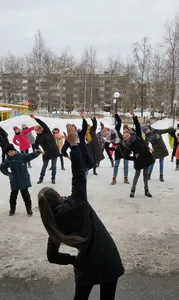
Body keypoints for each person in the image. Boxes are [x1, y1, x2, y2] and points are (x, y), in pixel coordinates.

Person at [38, 124, 124, 300]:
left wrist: (72, 260)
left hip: (84, 262)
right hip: (107, 253)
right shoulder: (77, 201)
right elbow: (78, 174)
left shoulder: (53, 225)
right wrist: (74, 145)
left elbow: (52, 256)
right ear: (59, 195)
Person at [0, 143, 42, 216]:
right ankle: (12, 209)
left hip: (23, 178)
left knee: (26, 195)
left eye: (12, 151)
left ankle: (29, 210)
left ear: (14, 150)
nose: (11, 153)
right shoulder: (8, 160)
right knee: (13, 196)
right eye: (9, 152)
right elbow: (2, 167)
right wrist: (8, 174)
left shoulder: (21, 156)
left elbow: (30, 156)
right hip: (14, 180)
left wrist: (36, 152)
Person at [123, 111, 154, 198]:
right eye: (125, 137)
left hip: (146, 157)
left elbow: (137, 125)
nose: (127, 136)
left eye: (127, 135)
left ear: (129, 133)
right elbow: (125, 156)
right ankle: (132, 190)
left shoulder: (137, 136)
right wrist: (134, 158)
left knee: (145, 175)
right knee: (137, 175)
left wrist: (134, 116)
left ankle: (146, 190)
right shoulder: (128, 145)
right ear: (124, 139)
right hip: (139, 160)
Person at [62, 113, 94, 179]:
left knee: (84, 176)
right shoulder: (69, 139)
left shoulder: (81, 134)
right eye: (71, 129)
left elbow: (85, 127)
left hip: (85, 158)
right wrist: (70, 158)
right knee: (80, 177)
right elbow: (63, 151)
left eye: (74, 129)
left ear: (76, 129)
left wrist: (83, 118)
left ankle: (83, 188)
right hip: (77, 160)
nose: (73, 131)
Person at [30, 114, 59, 184]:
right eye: (37, 129)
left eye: (39, 128)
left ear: (42, 128)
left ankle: (53, 178)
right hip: (46, 153)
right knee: (44, 166)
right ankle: (41, 178)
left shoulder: (47, 131)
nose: (39, 130)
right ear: (36, 131)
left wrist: (35, 118)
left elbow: (43, 124)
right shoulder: (38, 138)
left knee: (54, 166)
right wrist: (40, 151)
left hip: (54, 151)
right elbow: (35, 146)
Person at [102, 113, 129, 185]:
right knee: (116, 165)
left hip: (125, 147)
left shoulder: (115, 130)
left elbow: (119, 122)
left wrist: (115, 115)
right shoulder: (108, 139)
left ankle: (126, 178)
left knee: (126, 165)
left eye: (106, 132)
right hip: (118, 150)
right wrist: (114, 149)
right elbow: (106, 147)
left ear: (108, 130)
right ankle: (114, 178)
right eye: (104, 134)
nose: (106, 134)